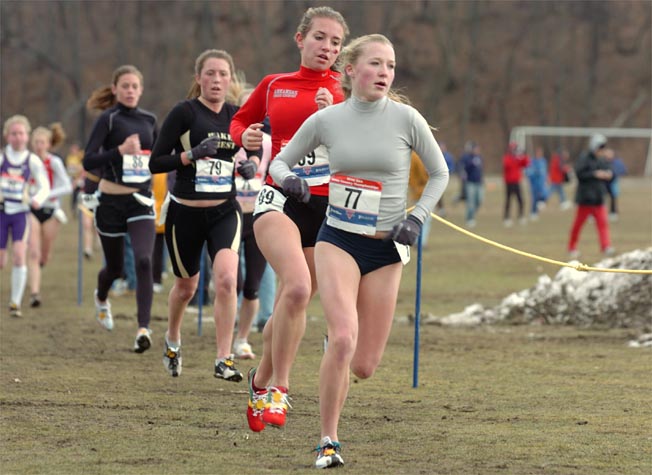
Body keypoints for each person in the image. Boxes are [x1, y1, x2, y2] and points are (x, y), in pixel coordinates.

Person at [268, 33, 449, 468]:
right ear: (351, 70)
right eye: (375, 64)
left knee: (365, 365)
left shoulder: (406, 119)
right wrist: (287, 179)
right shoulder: (328, 119)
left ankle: (339, 343)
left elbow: (440, 173)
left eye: (390, 65)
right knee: (346, 338)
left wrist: (416, 217)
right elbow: (279, 161)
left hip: (387, 248)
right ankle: (328, 440)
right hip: (339, 241)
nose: (384, 73)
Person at [229, 5, 349, 432]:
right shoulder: (274, 84)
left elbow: (366, 144)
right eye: (320, 38)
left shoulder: (345, 90)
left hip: (327, 207)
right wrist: (245, 135)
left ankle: (259, 379)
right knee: (296, 286)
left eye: (336, 43)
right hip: (280, 195)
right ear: (301, 39)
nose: (327, 48)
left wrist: (334, 108)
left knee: (291, 303)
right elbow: (240, 120)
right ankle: (279, 386)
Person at [150, 49, 256, 381]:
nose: (216, 80)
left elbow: (247, 154)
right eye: (210, 73)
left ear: (230, 79)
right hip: (185, 213)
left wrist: (248, 165)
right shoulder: (184, 113)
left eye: (223, 74)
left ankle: (223, 358)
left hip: (225, 210)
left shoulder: (236, 116)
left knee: (226, 279)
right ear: (199, 79)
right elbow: (156, 162)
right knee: (186, 287)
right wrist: (190, 155)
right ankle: (172, 339)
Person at [82, 64, 158, 353]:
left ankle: (143, 329)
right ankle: (101, 297)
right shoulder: (108, 120)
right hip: (110, 203)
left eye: (134, 86)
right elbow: (89, 161)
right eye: (124, 86)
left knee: (144, 261)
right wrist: (119, 152)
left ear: (141, 89)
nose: (130, 91)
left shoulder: (150, 120)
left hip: (141, 200)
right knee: (114, 268)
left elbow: (161, 155)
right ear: (115, 89)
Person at [232, 88, 273, 360]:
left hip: (259, 215)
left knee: (252, 285)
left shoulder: (270, 142)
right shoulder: (228, 139)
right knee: (230, 282)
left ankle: (242, 340)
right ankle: (226, 337)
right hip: (230, 214)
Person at [0, 115, 50, 317]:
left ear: (27, 136)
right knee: (1, 261)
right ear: (7, 136)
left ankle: (15, 303)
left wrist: (38, 198)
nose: (18, 137)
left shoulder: (33, 161)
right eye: (14, 134)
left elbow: (44, 185)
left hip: (21, 214)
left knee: (20, 254)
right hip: (2, 213)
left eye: (21, 133)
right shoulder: (2, 158)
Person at [27, 123, 73, 307]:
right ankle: (34, 293)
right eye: (36, 142)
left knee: (44, 255)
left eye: (42, 142)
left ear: (48, 144)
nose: (39, 145)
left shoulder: (54, 162)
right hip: (31, 210)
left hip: (50, 210)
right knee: (33, 252)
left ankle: (39, 266)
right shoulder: (27, 161)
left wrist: (48, 193)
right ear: (32, 143)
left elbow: (67, 186)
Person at [568, 133, 614, 258]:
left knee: (603, 223)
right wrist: (594, 174)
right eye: (600, 148)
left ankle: (606, 246)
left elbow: (610, 170)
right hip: (586, 199)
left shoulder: (602, 159)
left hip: (598, 198)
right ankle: (572, 247)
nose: (602, 151)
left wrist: (608, 173)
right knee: (578, 224)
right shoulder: (584, 158)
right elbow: (579, 173)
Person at [502, 141, 529, 227]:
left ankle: (521, 216)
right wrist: (515, 158)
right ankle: (506, 218)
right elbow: (507, 165)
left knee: (520, 200)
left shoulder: (518, 158)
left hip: (517, 182)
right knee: (508, 200)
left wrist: (523, 155)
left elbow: (526, 163)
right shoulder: (507, 158)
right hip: (509, 183)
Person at [459, 140, 483, 227]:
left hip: (479, 182)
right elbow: (464, 168)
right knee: (470, 201)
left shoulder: (479, 157)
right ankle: (470, 218)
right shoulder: (467, 157)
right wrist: (471, 164)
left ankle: (472, 214)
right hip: (470, 182)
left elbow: (480, 170)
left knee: (479, 200)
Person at [525, 145, 548, 220]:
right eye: (538, 152)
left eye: (540, 152)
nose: (539, 154)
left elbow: (544, 172)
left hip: (542, 183)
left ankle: (539, 206)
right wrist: (534, 173)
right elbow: (528, 172)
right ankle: (533, 212)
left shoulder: (543, 161)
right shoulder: (532, 161)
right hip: (534, 183)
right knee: (534, 198)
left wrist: (546, 179)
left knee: (545, 194)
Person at [604, 148, 627, 221]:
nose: (608, 155)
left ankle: (613, 213)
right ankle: (594, 214)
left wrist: (613, 174)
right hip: (603, 183)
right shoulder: (601, 162)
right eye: (607, 153)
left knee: (613, 197)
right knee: (599, 198)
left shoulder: (616, 162)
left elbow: (622, 171)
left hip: (612, 183)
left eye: (610, 153)